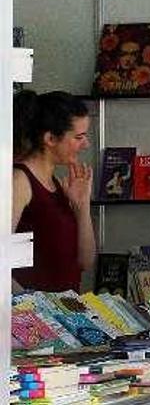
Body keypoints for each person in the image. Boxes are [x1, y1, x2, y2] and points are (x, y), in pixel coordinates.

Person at [11, 90, 94, 292]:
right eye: (78, 137)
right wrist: (32, 305)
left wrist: (82, 207)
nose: (86, 144)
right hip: (31, 316)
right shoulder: (19, 181)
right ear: (50, 138)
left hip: (65, 313)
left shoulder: (56, 182)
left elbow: (85, 262)